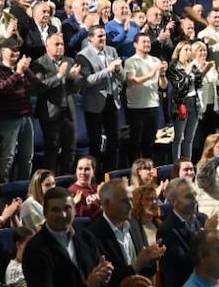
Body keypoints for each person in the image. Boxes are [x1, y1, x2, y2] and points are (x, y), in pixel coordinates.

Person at [22, 186, 112, 287]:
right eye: (55, 210)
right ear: (45, 213)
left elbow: (96, 279)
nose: (62, 214)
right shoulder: (35, 249)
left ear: (75, 210)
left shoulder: (86, 237)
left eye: (67, 208)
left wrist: (104, 276)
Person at [84, 179, 164, 287]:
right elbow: (104, 285)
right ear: (106, 203)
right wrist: (136, 265)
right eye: (124, 200)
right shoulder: (92, 235)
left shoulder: (134, 224)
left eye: (130, 199)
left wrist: (151, 259)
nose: (130, 205)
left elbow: (146, 270)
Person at [32, 32, 82, 176]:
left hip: (69, 112)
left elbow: (76, 87)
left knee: (70, 149)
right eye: (56, 44)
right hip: (50, 112)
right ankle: (50, 184)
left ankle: (66, 181)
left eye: (62, 44)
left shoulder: (69, 61)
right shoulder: (39, 63)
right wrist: (59, 75)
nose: (60, 47)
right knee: (52, 150)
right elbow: (40, 87)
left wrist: (73, 78)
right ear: (47, 47)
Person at [77, 26, 124, 172]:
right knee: (95, 142)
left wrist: (118, 70)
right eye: (99, 36)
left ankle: (111, 173)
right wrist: (107, 70)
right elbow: (88, 80)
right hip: (94, 102)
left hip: (112, 99)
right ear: (90, 38)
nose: (103, 38)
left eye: (104, 36)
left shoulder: (112, 51)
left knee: (114, 140)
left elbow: (121, 77)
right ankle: (95, 176)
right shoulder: (82, 55)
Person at [0, 38, 37, 187]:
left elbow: (35, 88)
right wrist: (17, 73)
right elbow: (2, 89)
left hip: (26, 116)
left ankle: (24, 186)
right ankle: (3, 186)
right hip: (9, 118)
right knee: (8, 157)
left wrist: (26, 71)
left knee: (27, 156)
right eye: (12, 50)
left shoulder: (22, 69)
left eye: (18, 50)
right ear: (3, 52)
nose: (16, 53)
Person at [124, 33, 166, 162]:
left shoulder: (155, 60)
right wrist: (152, 73)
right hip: (136, 107)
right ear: (135, 44)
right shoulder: (131, 61)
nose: (147, 44)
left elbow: (163, 86)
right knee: (135, 143)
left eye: (148, 42)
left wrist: (162, 74)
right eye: (144, 42)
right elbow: (131, 81)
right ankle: (134, 171)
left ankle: (148, 171)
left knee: (150, 142)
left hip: (153, 105)